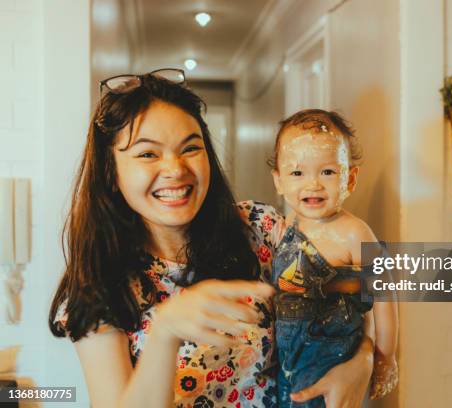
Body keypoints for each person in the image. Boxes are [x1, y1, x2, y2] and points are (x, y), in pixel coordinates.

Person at [48, 71, 374, 408]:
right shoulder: (97, 287)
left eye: (190, 148)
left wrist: (363, 359)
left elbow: (358, 293)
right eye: (148, 154)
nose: (175, 169)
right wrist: (165, 332)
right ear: (111, 173)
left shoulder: (260, 227)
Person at [269, 109, 399, 407]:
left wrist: (386, 356)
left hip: (332, 357)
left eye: (327, 172)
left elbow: (384, 296)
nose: (313, 184)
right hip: (288, 358)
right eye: (297, 173)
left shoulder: (355, 232)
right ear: (279, 181)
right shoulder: (289, 224)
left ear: (350, 178)